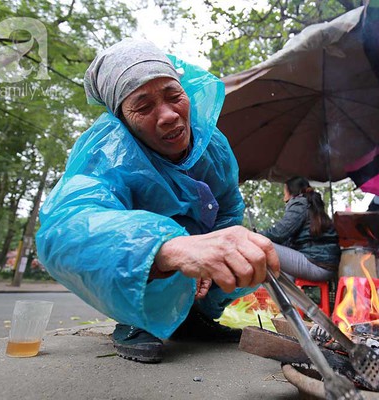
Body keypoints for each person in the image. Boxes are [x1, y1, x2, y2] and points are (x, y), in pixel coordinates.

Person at [36, 39, 279, 364]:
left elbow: (228, 208)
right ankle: (136, 320)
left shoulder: (213, 146)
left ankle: (194, 319)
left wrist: (217, 249)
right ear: (122, 114)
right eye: (144, 106)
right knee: (130, 257)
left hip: (199, 270)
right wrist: (170, 248)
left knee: (248, 253)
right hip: (152, 265)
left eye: (173, 96)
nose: (167, 115)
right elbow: (66, 226)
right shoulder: (108, 151)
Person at [261, 177, 341, 282]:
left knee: (260, 245)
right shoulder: (310, 204)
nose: (283, 198)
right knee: (275, 261)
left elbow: (278, 234)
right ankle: (288, 297)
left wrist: (253, 235)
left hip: (318, 264)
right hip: (324, 265)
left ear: (290, 192)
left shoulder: (300, 204)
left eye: (284, 193)